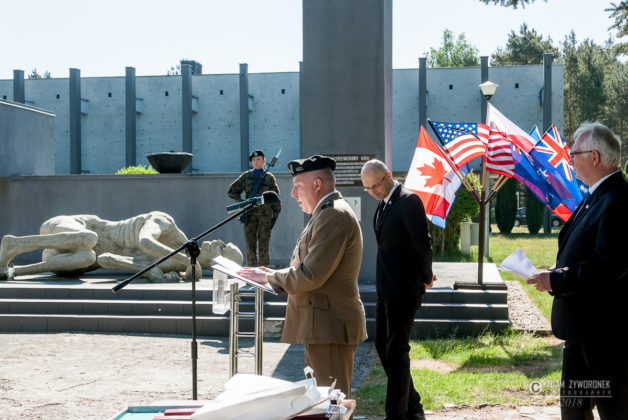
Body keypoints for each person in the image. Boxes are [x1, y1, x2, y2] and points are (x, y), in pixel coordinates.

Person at [240, 155, 367, 399]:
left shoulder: (333, 215)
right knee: (325, 402)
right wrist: (271, 274)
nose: (292, 194)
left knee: (332, 403)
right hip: (324, 327)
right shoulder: (325, 213)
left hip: (330, 326)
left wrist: (269, 278)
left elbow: (311, 274)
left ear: (317, 185)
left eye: (298, 186)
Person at [527, 122, 628, 420]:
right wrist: (555, 273)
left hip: (605, 336)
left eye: (574, 154)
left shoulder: (618, 199)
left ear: (594, 157)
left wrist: (557, 279)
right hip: (581, 331)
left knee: (614, 411)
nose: (569, 160)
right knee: (573, 411)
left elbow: (607, 267)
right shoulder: (595, 196)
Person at [360, 159, 436, 420]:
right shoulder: (383, 203)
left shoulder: (408, 200)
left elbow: (422, 244)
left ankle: (396, 415)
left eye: (375, 186)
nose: (373, 192)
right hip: (386, 288)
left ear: (388, 175)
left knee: (397, 350)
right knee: (383, 346)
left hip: (404, 289)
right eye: (368, 189)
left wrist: (426, 276)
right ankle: (413, 406)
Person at [0, 212, 202, 282]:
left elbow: (107, 259)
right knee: (90, 238)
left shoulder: (167, 262)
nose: (211, 243)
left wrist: (149, 272)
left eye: (214, 249)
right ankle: (14, 244)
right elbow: (145, 242)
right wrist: (190, 262)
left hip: (65, 258)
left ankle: (14, 272)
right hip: (70, 227)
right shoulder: (164, 221)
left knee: (89, 257)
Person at [228, 150, 281, 267]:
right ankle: (252, 270)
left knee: (264, 243)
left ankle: (263, 271)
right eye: (253, 160)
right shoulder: (246, 176)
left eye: (258, 159)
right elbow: (232, 191)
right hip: (249, 214)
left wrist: (274, 216)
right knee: (250, 244)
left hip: (265, 215)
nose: (256, 162)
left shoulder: (269, 178)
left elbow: (275, 198)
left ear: (264, 160)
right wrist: (242, 203)